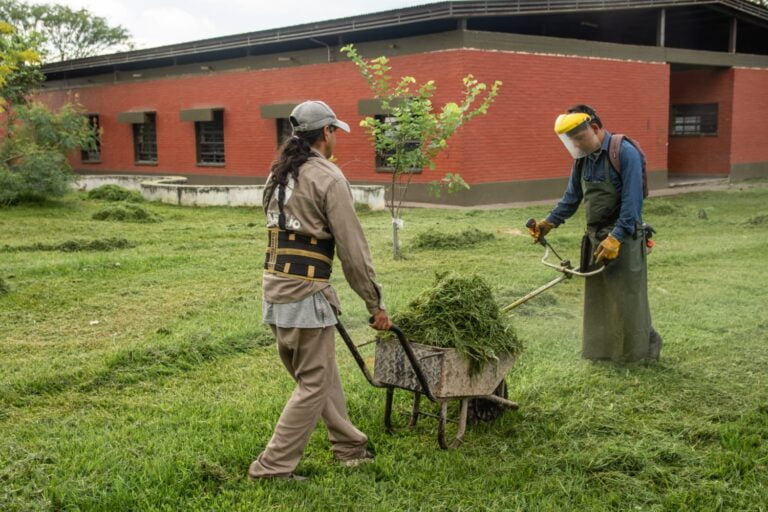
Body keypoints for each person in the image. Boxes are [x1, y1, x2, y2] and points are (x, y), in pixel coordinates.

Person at [249, 100, 391, 481]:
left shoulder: (278, 173)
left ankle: (349, 447)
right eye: (335, 131)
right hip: (305, 293)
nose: (336, 137)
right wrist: (375, 303)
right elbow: (353, 251)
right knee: (314, 384)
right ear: (326, 133)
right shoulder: (328, 178)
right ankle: (271, 468)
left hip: (274, 291)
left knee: (320, 375)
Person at [528, 104, 662, 363]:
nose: (576, 145)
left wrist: (616, 238)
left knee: (627, 297)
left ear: (595, 128)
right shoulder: (583, 158)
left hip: (623, 237)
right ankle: (604, 353)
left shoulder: (624, 152)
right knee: (599, 298)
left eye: (580, 138)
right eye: (572, 141)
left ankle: (643, 350)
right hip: (595, 236)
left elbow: (632, 203)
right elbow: (572, 197)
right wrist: (549, 222)